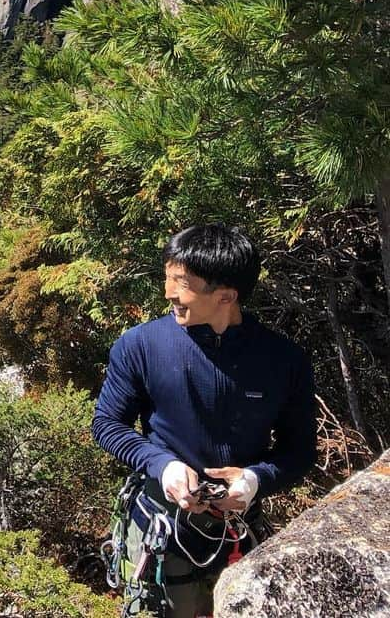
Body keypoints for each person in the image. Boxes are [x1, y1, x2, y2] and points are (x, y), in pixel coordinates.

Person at [92, 224, 317, 617]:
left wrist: (255, 479)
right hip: (161, 530)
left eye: (182, 283)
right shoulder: (142, 346)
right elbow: (107, 424)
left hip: (240, 533)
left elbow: (299, 451)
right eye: (168, 277)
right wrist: (163, 466)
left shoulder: (283, 361)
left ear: (226, 296)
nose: (168, 294)